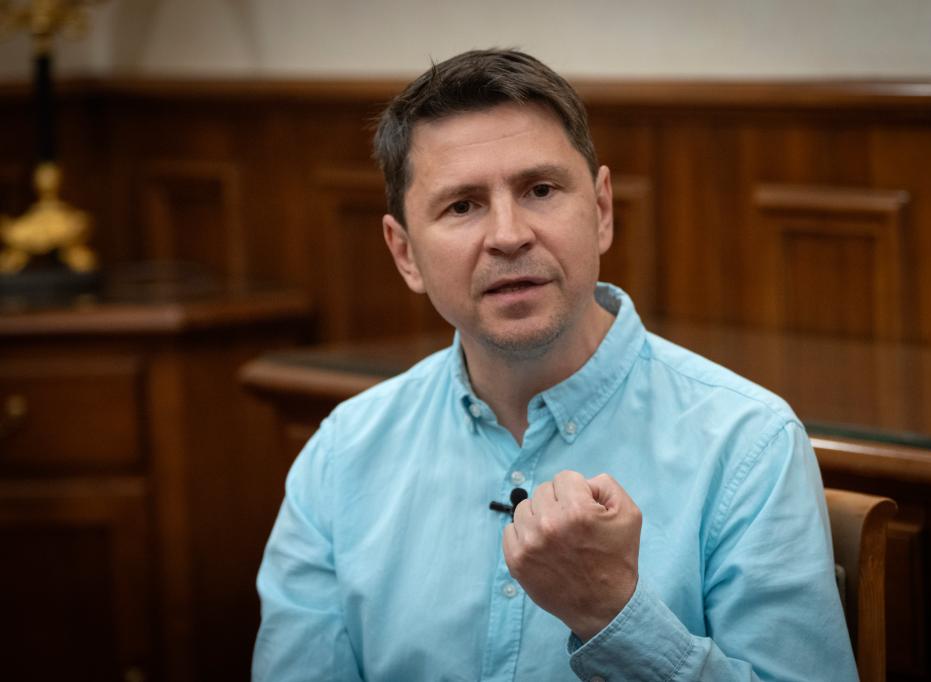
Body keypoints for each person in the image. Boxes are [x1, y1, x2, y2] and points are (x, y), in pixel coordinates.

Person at [253, 49, 858, 682]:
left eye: (540, 190)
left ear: (600, 210)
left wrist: (614, 615)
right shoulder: (341, 458)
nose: (509, 235)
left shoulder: (748, 447)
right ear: (405, 253)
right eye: (462, 206)